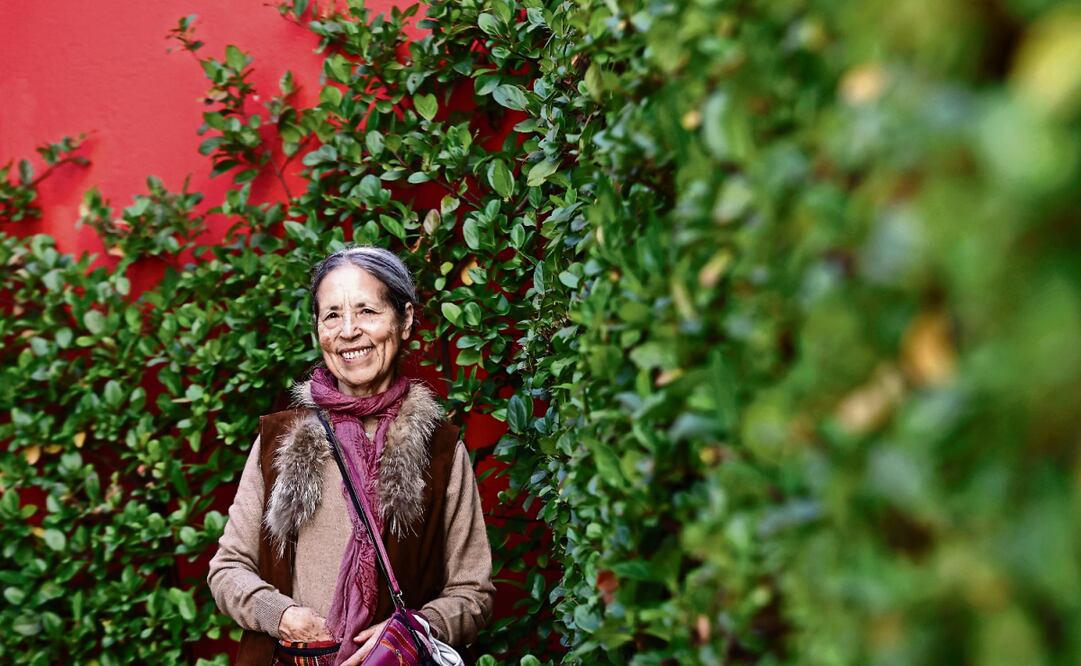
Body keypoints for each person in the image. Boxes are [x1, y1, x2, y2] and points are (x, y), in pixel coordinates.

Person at [208, 246, 495, 666]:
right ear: (318, 329)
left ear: (405, 321)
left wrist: (415, 629)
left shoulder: (440, 450)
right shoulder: (280, 439)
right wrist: (281, 614)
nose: (348, 331)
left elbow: (475, 594)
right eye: (332, 316)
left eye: (366, 311)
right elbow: (227, 568)